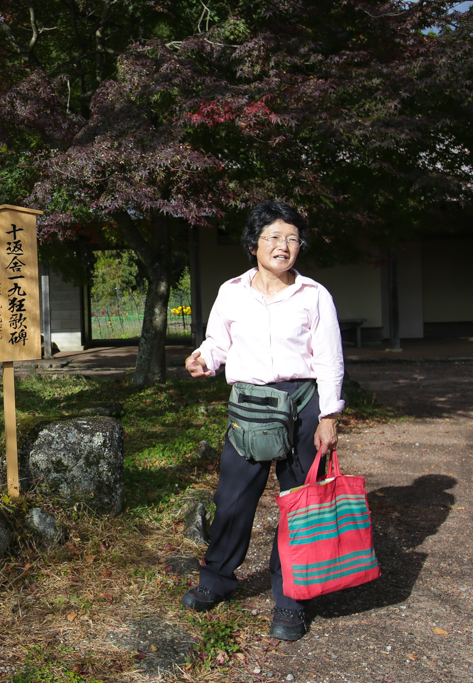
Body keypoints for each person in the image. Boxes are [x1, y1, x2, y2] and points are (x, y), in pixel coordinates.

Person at [181, 199, 344, 641]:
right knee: (232, 499)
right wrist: (204, 359)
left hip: (302, 406)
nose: (283, 245)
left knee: (299, 504)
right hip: (249, 407)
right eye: (273, 237)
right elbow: (218, 341)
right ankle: (216, 580)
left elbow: (329, 360)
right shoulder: (231, 291)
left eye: (291, 238)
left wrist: (329, 416)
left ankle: (291, 600)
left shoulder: (313, 295)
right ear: (253, 244)